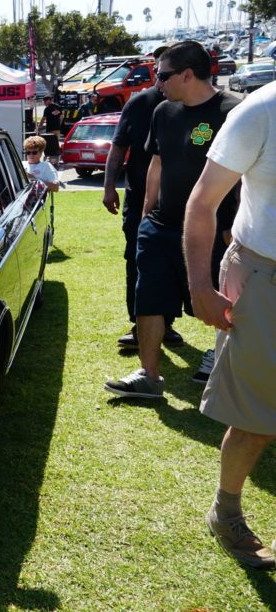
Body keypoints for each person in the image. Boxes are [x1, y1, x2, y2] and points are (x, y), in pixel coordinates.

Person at [104, 41, 241, 399]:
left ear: (187, 75)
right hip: (160, 227)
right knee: (148, 297)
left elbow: (248, 176)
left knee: (221, 300)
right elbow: (158, 161)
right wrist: (147, 213)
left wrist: (235, 226)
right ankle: (149, 376)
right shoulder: (163, 111)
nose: (157, 82)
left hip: (215, 231)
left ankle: (221, 361)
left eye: (162, 75)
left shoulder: (233, 112)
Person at [185, 82, 276, 570]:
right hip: (264, 276)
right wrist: (200, 286)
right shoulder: (261, 110)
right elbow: (203, 202)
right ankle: (227, 513)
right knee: (256, 416)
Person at [102, 44, 183, 351]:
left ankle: (167, 323)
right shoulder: (139, 103)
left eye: (166, 73)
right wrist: (109, 186)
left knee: (175, 262)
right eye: (159, 72)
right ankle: (140, 325)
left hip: (179, 202)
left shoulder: (192, 106)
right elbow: (118, 147)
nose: (161, 79)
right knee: (137, 261)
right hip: (138, 200)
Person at [37, 95, 64, 164]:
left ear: (49, 100)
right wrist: (59, 124)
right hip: (57, 128)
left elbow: (43, 118)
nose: (44, 102)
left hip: (50, 128)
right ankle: (57, 157)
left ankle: (51, 157)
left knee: (49, 143)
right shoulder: (58, 107)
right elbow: (62, 116)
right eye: (44, 101)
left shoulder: (47, 108)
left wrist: (39, 126)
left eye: (45, 101)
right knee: (56, 142)